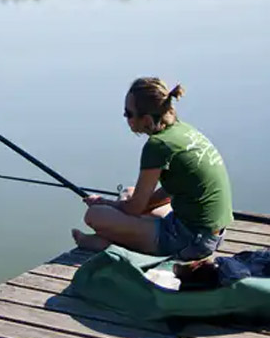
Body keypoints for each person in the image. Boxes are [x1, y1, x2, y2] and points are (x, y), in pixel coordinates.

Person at [72, 77, 233, 260]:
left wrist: (104, 203)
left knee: (95, 215)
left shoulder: (158, 145)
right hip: (212, 234)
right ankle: (129, 234)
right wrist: (129, 206)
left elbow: (134, 209)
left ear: (147, 119)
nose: (126, 118)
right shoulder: (183, 131)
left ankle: (105, 245)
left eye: (128, 113)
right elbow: (170, 190)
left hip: (190, 241)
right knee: (129, 192)